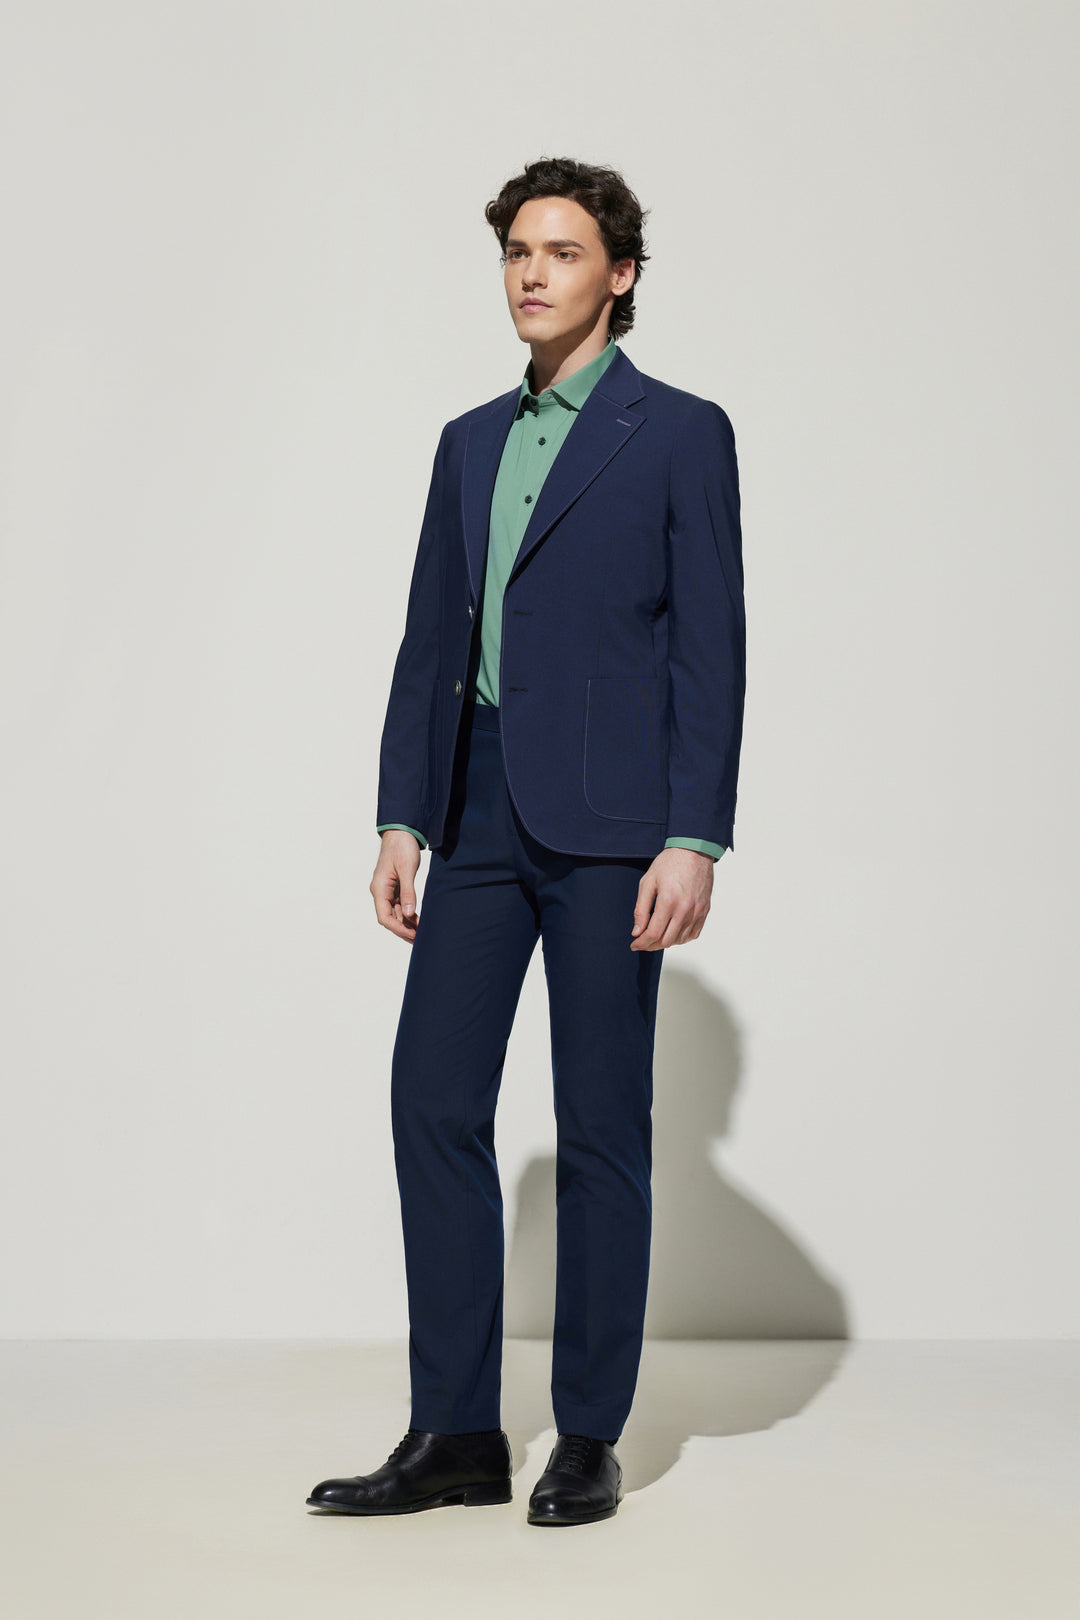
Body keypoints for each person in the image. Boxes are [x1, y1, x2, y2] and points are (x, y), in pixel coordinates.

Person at [307, 156, 745, 1527]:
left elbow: (713, 647)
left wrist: (694, 834)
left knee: (601, 1123)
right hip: (479, 806)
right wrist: (403, 813)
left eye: (562, 251)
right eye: (516, 252)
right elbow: (428, 639)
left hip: (617, 825)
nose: (532, 273)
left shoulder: (680, 433)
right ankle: (455, 1430)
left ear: (621, 274)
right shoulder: (467, 443)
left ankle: (588, 1434)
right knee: (432, 1099)